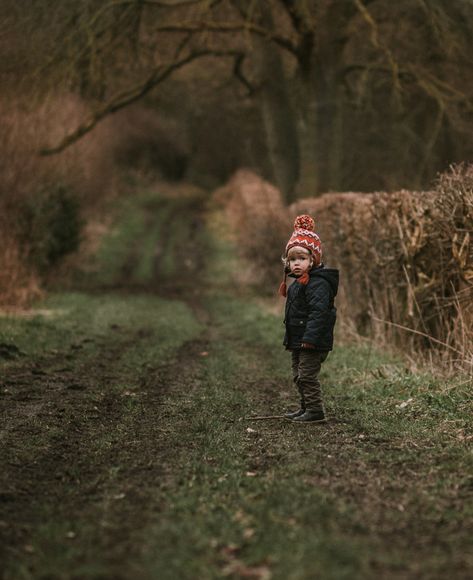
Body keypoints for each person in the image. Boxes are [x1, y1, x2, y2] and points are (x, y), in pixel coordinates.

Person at [279, 215, 339, 423]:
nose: (296, 263)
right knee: (298, 375)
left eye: (302, 259)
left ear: (313, 260)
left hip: (312, 341)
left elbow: (319, 313)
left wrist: (310, 339)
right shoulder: (297, 284)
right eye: (292, 260)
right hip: (299, 339)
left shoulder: (318, 284)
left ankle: (315, 410)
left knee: (307, 376)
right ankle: (305, 407)